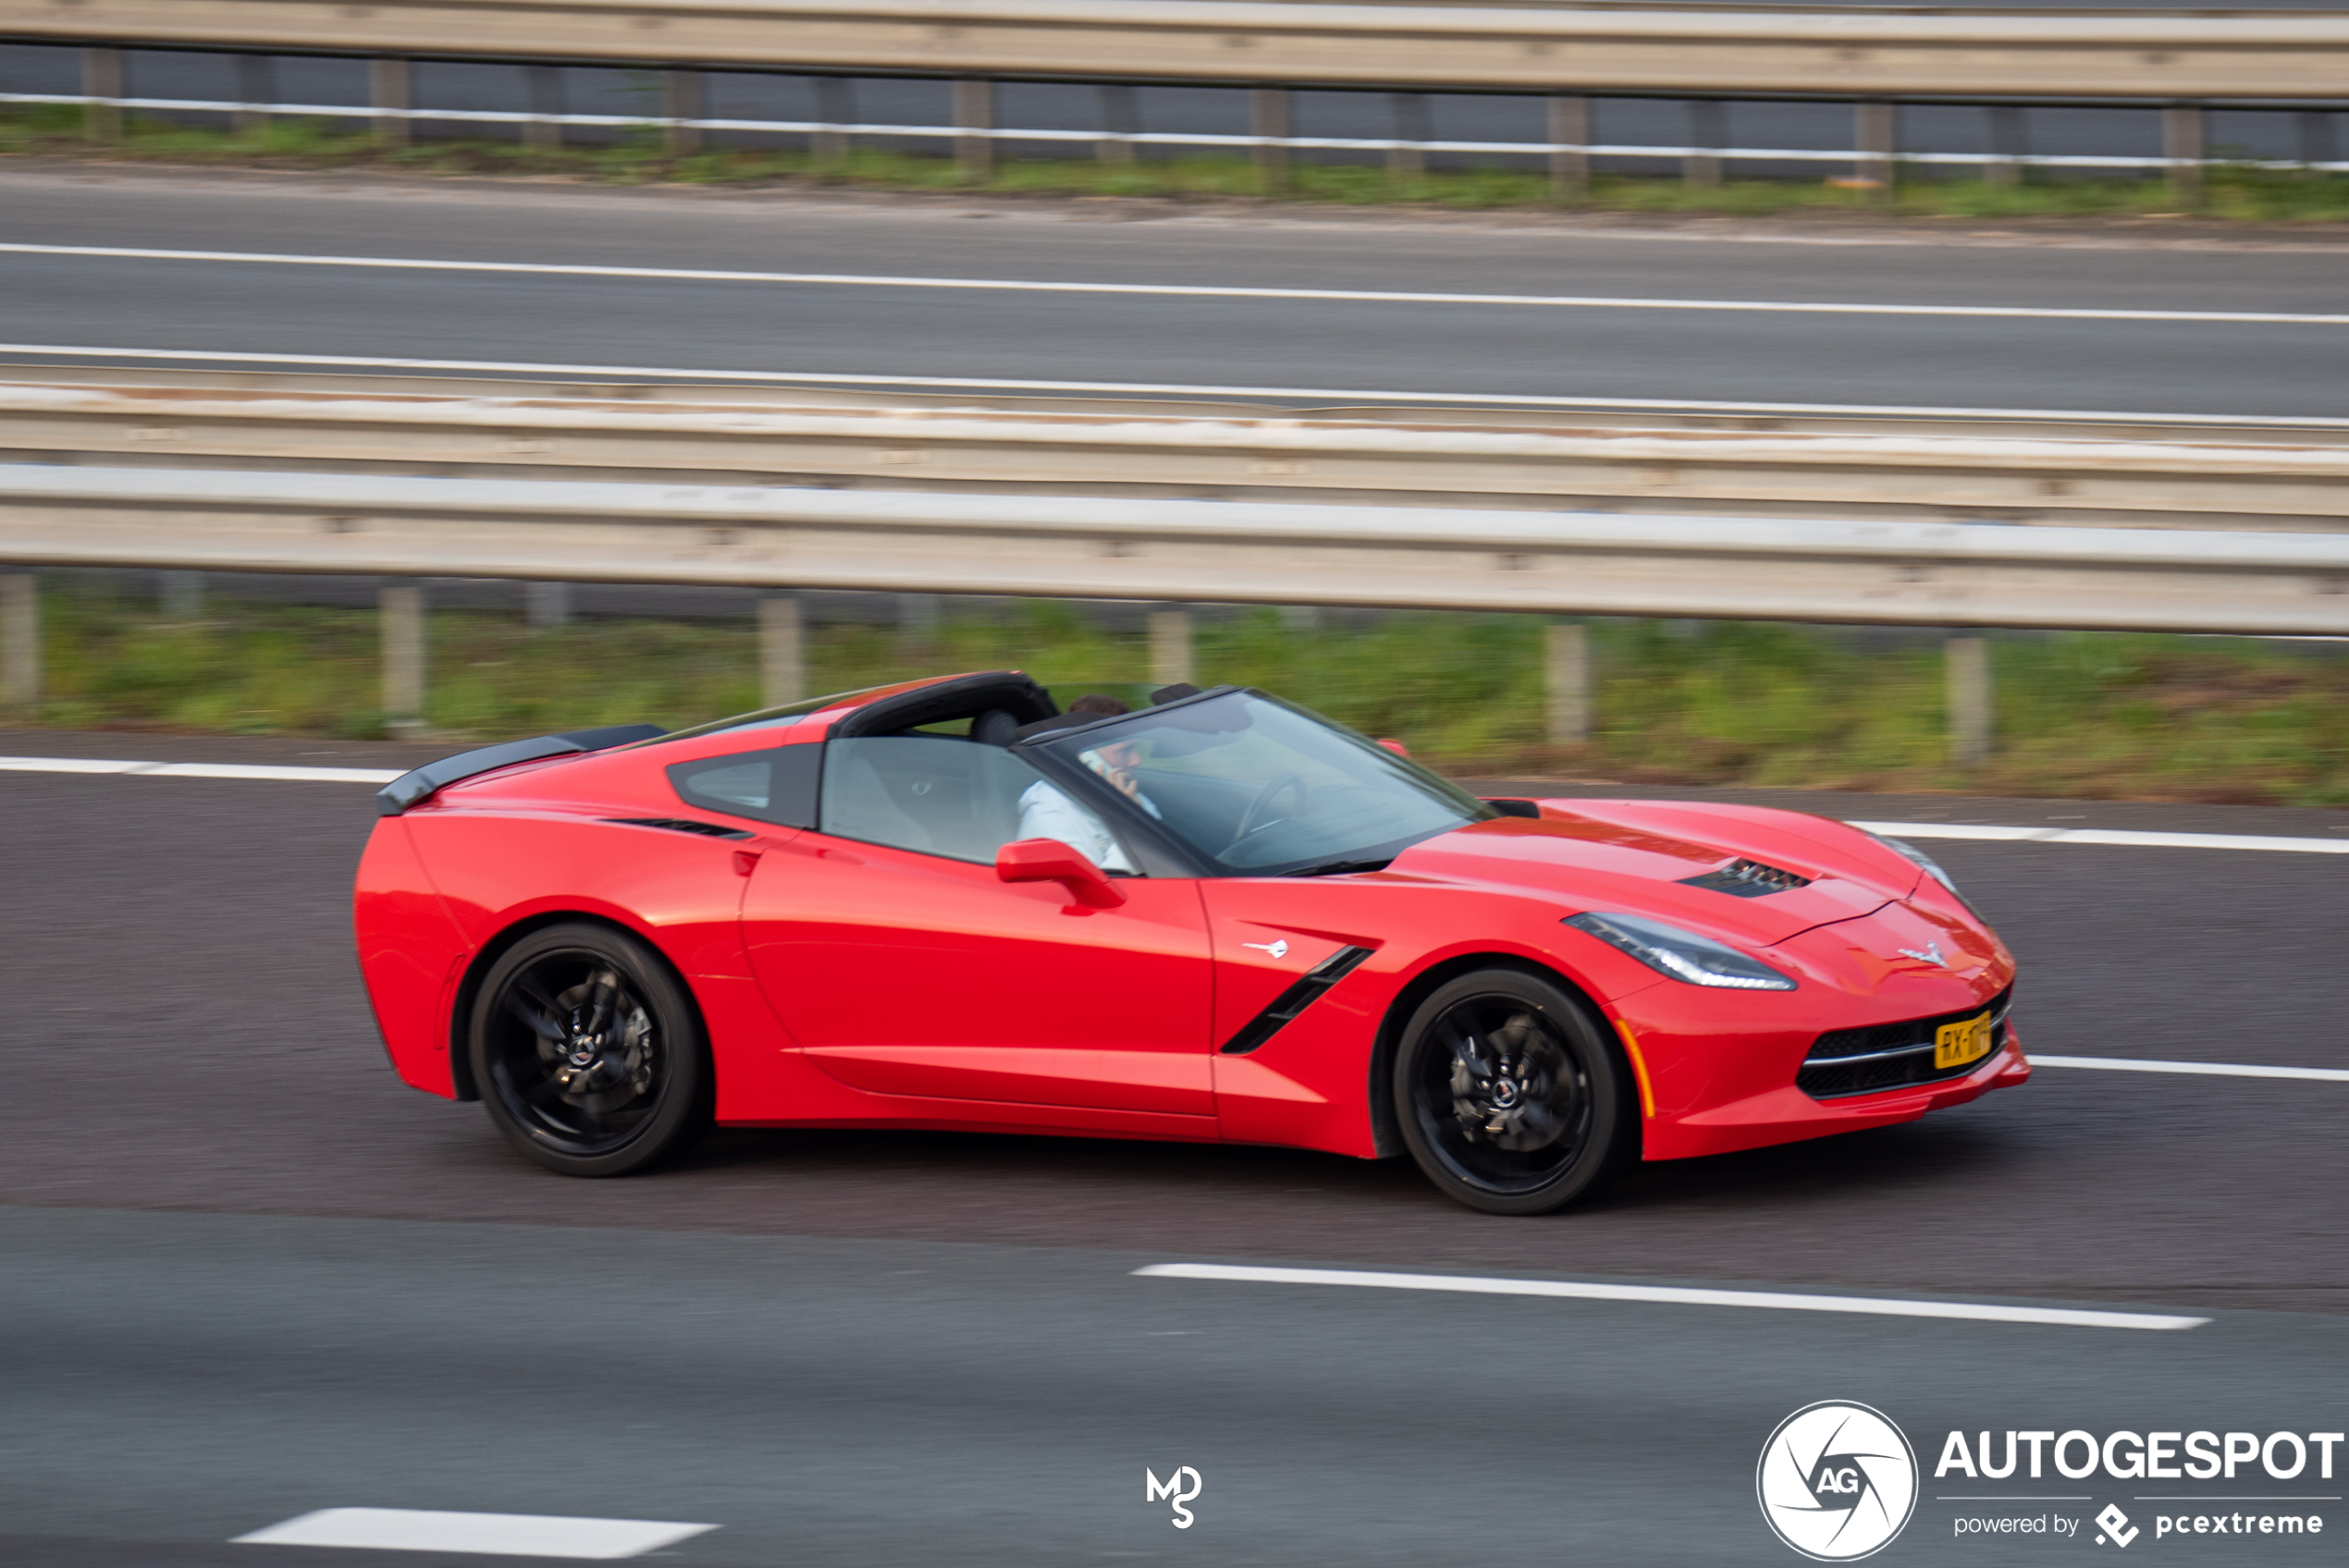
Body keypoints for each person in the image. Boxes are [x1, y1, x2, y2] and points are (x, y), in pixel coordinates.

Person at [1011, 694, 1150, 874]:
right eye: (1124, 752)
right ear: (1085, 758)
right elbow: (1099, 894)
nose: (1136, 761)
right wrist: (1132, 823)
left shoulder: (1125, 792)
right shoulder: (1050, 815)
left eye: (1134, 748)